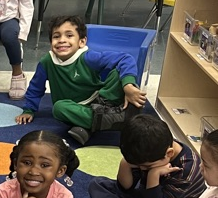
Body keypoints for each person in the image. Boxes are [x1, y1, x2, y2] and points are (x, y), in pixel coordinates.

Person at [15, 16, 148, 146]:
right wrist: (28, 109)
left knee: (119, 73)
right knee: (59, 108)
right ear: (51, 43)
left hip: (102, 101)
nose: (62, 40)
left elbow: (125, 58)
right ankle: (110, 121)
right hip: (75, 108)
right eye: (56, 36)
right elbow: (35, 87)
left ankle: (92, 124)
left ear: (82, 42)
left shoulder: (88, 57)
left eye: (69, 35)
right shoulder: (46, 62)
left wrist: (128, 86)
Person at [86, 113, 205, 198]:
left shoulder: (186, 168)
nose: (142, 169)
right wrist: (126, 163)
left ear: (169, 153)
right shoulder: (150, 151)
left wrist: (153, 174)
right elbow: (125, 188)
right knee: (98, 184)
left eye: (147, 167)